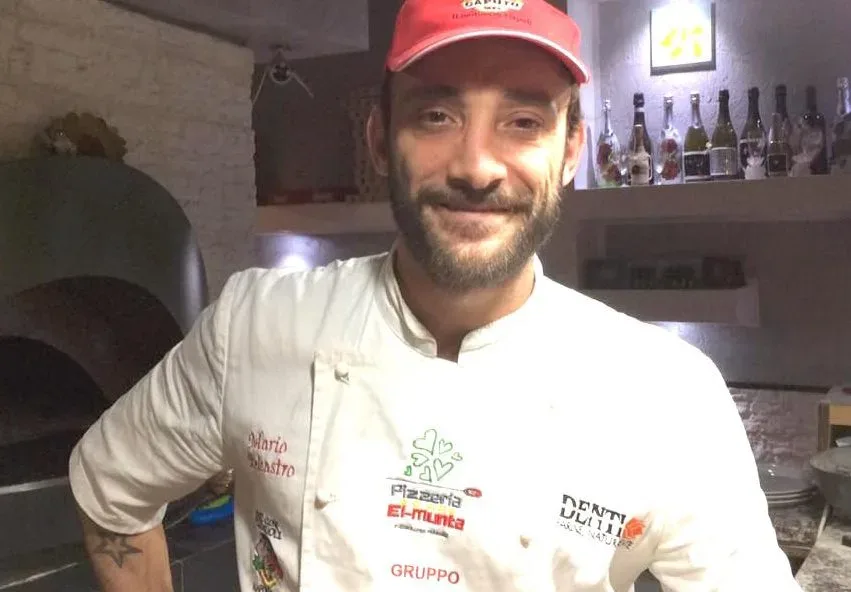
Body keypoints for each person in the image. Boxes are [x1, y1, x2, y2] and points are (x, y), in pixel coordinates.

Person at [69, 0, 803, 590]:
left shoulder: (668, 393)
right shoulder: (255, 327)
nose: (477, 166)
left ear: (570, 151)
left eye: (523, 121)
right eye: (436, 116)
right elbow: (111, 489)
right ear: (379, 138)